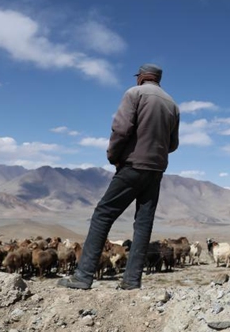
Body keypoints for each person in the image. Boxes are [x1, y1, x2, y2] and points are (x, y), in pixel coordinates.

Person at [58, 63, 180, 290]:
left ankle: (83, 276)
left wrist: (113, 156)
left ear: (142, 77)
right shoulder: (172, 104)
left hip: (132, 166)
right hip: (156, 170)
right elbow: (173, 144)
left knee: (103, 214)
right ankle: (132, 281)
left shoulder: (134, 93)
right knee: (143, 224)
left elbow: (121, 129)